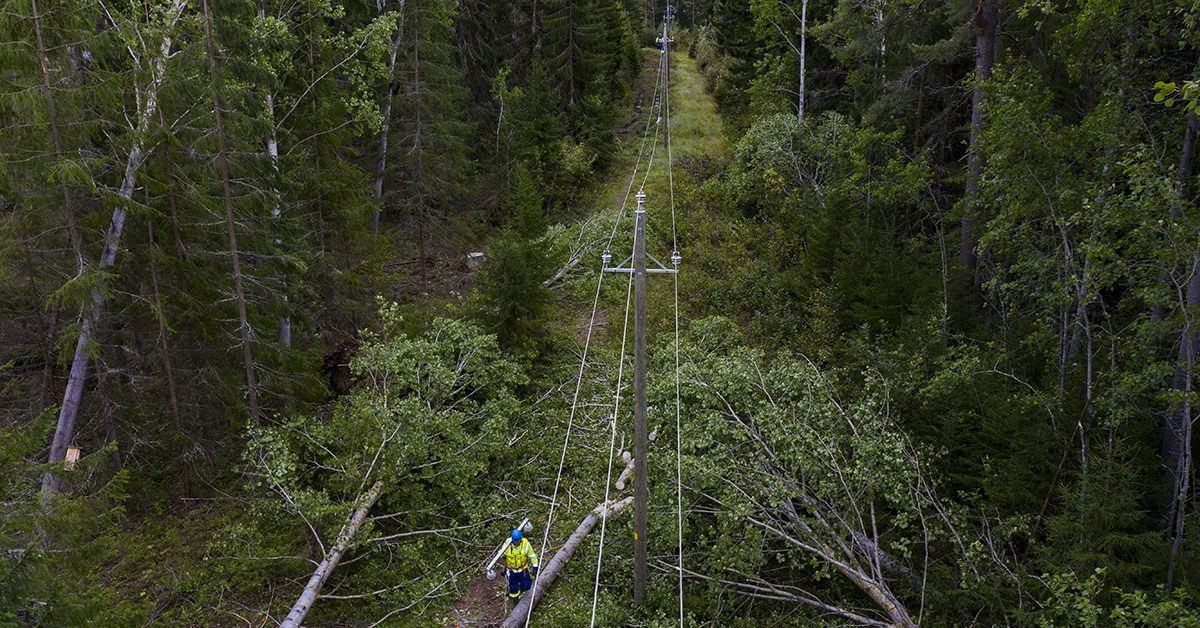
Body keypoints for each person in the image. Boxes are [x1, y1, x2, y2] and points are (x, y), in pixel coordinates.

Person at [504, 529, 539, 599]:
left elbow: (532, 555)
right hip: (511, 570)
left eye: (518, 541)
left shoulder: (525, 543)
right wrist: (505, 566)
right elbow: (501, 555)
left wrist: (535, 567)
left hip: (522, 569)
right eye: (515, 542)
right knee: (513, 587)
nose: (517, 543)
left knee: (527, 586)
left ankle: (522, 587)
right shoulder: (507, 544)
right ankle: (515, 598)